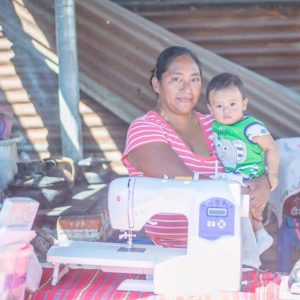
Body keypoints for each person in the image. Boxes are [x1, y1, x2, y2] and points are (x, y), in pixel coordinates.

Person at [121, 46, 271, 254]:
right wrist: (236, 194)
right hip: (171, 254)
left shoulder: (218, 125)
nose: (187, 88)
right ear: (157, 84)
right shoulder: (144, 129)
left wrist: (264, 182)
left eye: (194, 79)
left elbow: (253, 162)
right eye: (176, 79)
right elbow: (185, 181)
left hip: (228, 249)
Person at [206, 72, 279, 255]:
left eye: (232, 104)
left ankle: (259, 236)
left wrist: (272, 173)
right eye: (219, 106)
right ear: (210, 108)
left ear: (244, 104)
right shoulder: (215, 126)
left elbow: (271, 147)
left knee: (248, 207)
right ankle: (259, 235)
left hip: (252, 175)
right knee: (241, 208)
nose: (226, 110)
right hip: (234, 176)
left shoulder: (251, 127)